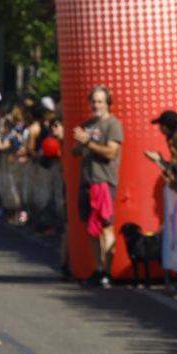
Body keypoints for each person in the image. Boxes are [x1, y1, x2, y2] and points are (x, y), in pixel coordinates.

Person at [73, 85, 122, 286]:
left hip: (104, 181)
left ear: (107, 103)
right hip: (87, 180)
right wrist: (78, 142)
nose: (96, 105)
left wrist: (88, 143)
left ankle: (108, 272)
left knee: (106, 225)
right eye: (93, 101)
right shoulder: (88, 124)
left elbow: (111, 152)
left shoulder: (113, 125)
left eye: (100, 101)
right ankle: (98, 268)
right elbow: (75, 152)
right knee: (91, 228)